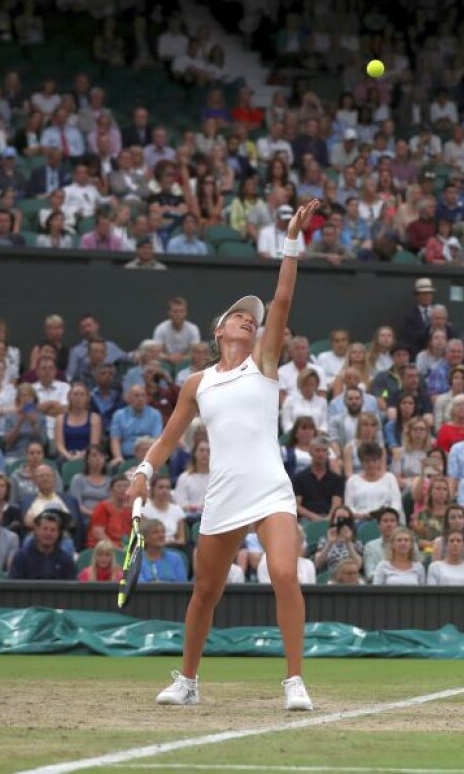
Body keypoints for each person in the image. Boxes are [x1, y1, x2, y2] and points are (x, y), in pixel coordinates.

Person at [126, 198, 320, 710]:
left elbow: (280, 301)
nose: (248, 322)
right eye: (239, 317)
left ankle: (295, 680)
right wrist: (145, 469)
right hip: (224, 493)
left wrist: (292, 242)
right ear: (219, 331)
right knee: (205, 593)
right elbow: (168, 439)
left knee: (283, 573)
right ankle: (188, 681)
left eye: (250, 321)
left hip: (271, 489)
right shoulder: (197, 383)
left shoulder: (265, 363)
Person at [7, 511, 75, 580]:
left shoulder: (66, 560)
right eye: (45, 529)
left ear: (58, 534)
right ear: (36, 530)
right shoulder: (21, 557)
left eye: (53, 530)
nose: (48, 533)